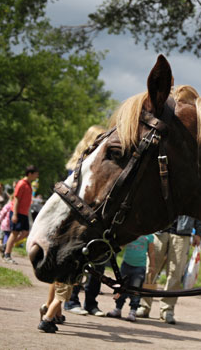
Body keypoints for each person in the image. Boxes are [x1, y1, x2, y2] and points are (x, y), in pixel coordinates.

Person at [61, 124, 107, 317]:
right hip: (79, 222)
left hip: (98, 222)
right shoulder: (77, 167)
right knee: (77, 262)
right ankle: (71, 300)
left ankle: (91, 302)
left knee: (99, 262)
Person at [136, 215, 201, 324]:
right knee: (151, 269)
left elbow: (196, 207)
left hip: (182, 233)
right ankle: (144, 305)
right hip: (160, 229)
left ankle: (167, 309)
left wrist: (199, 232)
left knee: (176, 273)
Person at [106, 234, 155, 322]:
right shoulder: (131, 232)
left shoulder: (149, 236)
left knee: (135, 290)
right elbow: (122, 245)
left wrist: (152, 265)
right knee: (121, 288)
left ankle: (133, 311)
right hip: (126, 265)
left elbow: (151, 251)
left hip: (140, 267)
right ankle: (118, 308)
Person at [3, 165, 39, 264]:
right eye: (36, 174)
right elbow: (16, 199)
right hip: (17, 212)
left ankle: (6, 246)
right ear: (30, 174)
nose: (37, 176)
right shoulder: (21, 183)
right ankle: (7, 255)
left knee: (26, 232)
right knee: (14, 233)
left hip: (24, 213)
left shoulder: (28, 184)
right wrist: (14, 214)